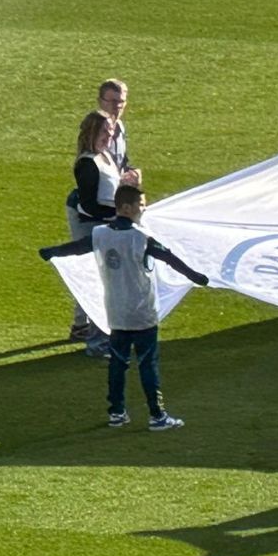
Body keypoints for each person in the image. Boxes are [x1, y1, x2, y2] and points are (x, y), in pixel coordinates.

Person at [40, 184, 210, 431]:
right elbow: (170, 258)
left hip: (116, 312)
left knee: (117, 364)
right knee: (147, 364)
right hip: (142, 313)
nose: (143, 209)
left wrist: (52, 252)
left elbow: (76, 248)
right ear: (126, 207)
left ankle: (117, 413)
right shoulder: (141, 238)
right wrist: (196, 277)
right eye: (141, 205)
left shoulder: (100, 234)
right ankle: (157, 416)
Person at [65, 110, 121, 355]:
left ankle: (83, 327)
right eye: (103, 132)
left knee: (99, 277)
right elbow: (89, 205)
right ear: (91, 133)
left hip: (103, 222)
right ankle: (96, 341)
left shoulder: (105, 156)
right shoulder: (88, 163)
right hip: (92, 225)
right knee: (97, 280)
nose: (109, 136)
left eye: (110, 131)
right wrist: (117, 215)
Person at [96, 79, 141, 187]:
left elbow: (121, 163)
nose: (118, 106)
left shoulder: (120, 126)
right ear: (100, 101)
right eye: (112, 101)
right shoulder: (94, 131)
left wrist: (133, 173)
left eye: (121, 101)